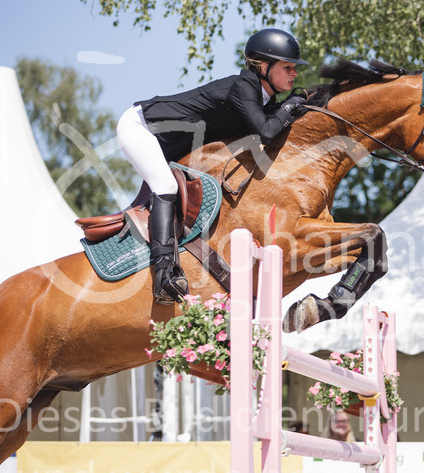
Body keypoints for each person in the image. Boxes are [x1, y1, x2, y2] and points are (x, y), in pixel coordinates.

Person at [116, 28, 309, 303]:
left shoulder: (264, 99)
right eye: (287, 67)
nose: (295, 73)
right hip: (140, 127)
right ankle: (164, 274)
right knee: (166, 186)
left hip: (168, 143)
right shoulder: (244, 87)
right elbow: (267, 132)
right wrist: (290, 107)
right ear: (264, 67)